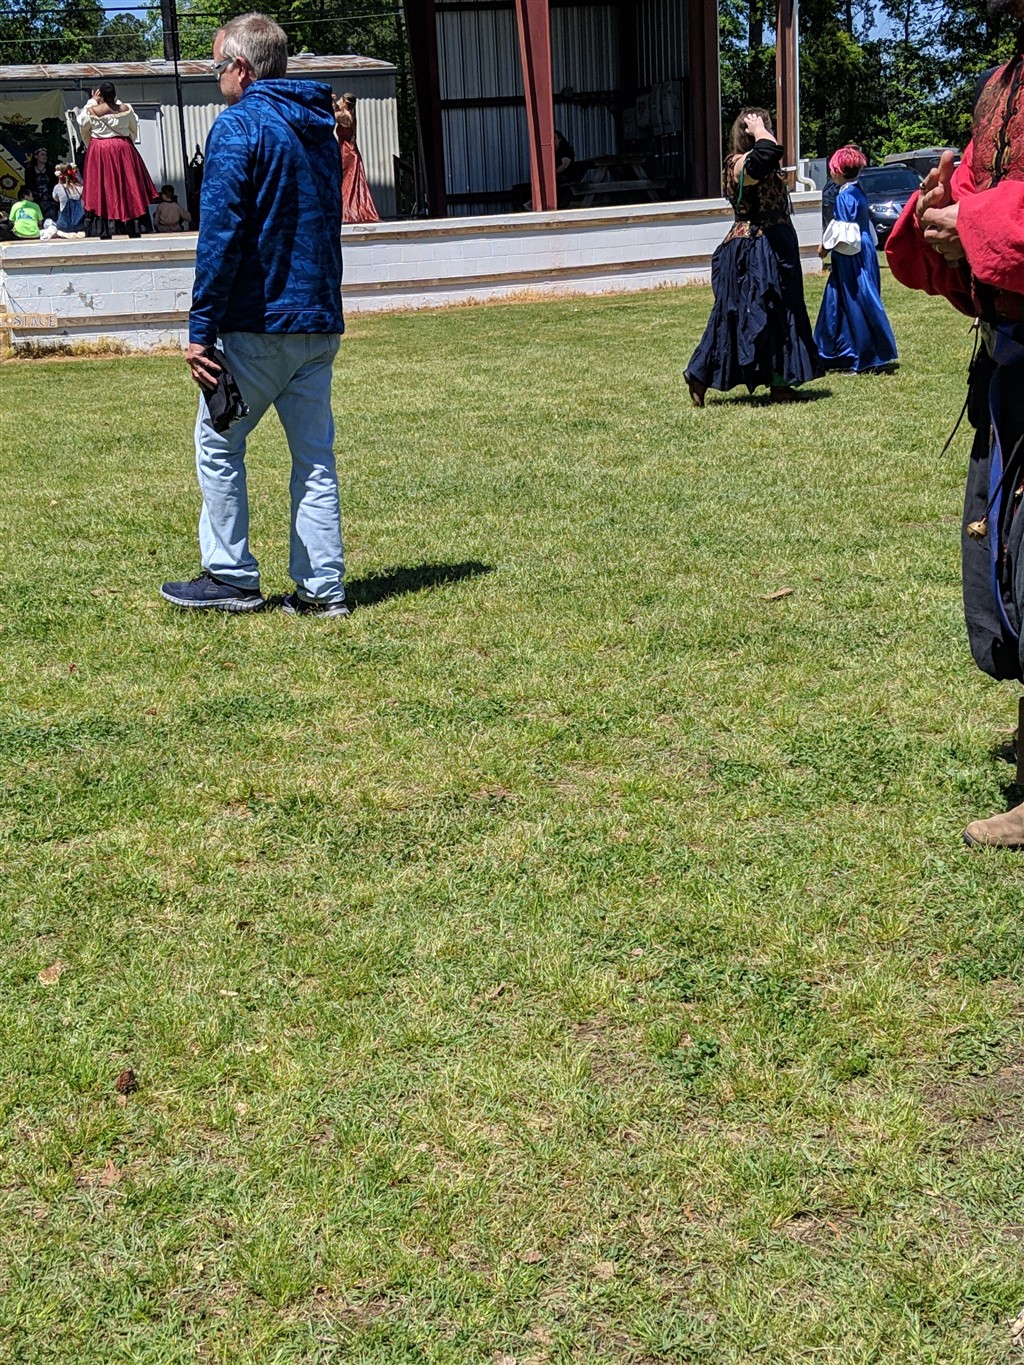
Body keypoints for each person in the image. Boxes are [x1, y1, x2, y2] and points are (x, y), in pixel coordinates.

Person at [886, 0, 1024, 846]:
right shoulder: (1004, 80)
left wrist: (972, 223)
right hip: (1012, 365)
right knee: (1012, 558)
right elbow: (979, 193)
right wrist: (944, 215)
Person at [161, 12, 348, 617]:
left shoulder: (238, 125)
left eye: (217, 66)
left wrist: (199, 329)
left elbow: (220, 235)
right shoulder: (320, 126)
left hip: (258, 323)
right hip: (317, 319)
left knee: (218, 443)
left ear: (240, 68)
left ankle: (230, 576)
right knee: (314, 460)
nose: (216, 77)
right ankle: (322, 592)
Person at [685, 107, 821, 406]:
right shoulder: (737, 163)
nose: (767, 132)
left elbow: (768, 156)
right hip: (754, 250)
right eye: (763, 127)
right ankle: (699, 375)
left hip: (776, 245)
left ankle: (781, 383)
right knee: (739, 313)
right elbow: (766, 154)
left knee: (783, 312)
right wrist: (759, 129)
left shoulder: (762, 162)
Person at [813, 145, 898, 372]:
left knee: (855, 299)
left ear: (838, 171)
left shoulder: (845, 196)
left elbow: (843, 231)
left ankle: (861, 354)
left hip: (851, 254)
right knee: (847, 298)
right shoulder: (857, 190)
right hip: (864, 247)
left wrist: (824, 247)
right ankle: (844, 353)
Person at [77, 81, 158, 239]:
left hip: (101, 150)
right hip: (123, 148)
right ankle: (133, 227)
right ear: (115, 95)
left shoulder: (91, 111)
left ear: (100, 95)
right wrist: (126, 141)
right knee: (128, 185)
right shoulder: (125, 109)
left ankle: (105, 230)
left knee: (103, 187)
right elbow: (133, 126)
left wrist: (92, 101)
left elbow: (83, 126)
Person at [333, 92, 380, 224]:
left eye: (341, 100)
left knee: (347, 183)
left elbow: (333, 116)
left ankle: (347, 212)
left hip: (348, 153)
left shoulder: (346, 117)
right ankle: (344, 211)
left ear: (345, 103)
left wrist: (332, 102)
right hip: (346, 151)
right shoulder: (349, 114)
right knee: (346, 182)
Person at [52, 163, 86, 236]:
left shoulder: (58, 188)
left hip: (64, 225)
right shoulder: (80, 187)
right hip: (79, 224)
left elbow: (56, 199)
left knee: (49, 223)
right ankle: (79, 232)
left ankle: (62, 232)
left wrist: (59, 181)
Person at [24, 147, 56, 219]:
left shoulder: (51, 169)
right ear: (36, 156)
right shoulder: (29, 171)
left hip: (49, 200)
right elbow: (28, 185)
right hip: (35, 199)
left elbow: (54, 184)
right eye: (42, 155)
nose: (45, 157)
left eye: (46, 155)